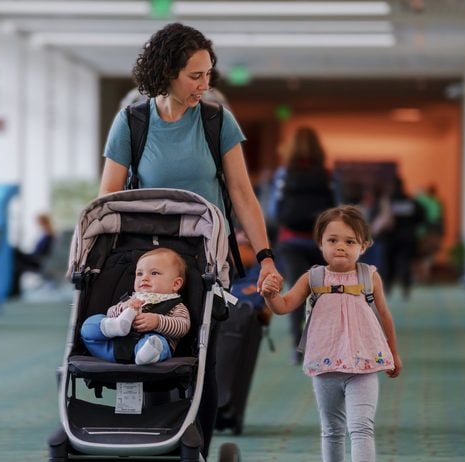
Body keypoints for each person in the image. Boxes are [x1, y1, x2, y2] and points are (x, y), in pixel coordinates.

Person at [98, 23, 282, 457]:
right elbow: (109, 195)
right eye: (195, 75)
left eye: (209, 73)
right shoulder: (132, 122)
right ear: (166, 73)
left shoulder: (218, 120)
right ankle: (154, 440)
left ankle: (196, 447)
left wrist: (266, 257)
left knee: (201, 356)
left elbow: (241, 193)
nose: (206, 84)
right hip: (150, 261)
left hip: (206, 259)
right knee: (148, 352)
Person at [261, 205, 402, 462]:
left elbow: (384, 316)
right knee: (332, 431)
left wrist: (394, 353)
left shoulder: (369, 277)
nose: (340, 247)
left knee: (361, 428)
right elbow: (283, 306)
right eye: (332, 240)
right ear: (320, 243)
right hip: (326, 367)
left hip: (364, 366)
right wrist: (271, 296)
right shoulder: (313, 278)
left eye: (350, 241)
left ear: (364, 246)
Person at [274, 126, 335, 364]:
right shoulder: (328, 175)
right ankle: (322, 345)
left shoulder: (283, 175)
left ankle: (297, 347)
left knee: (297, 293)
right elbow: (339, 208)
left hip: (291, 241)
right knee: (323, 294)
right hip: (321, 242)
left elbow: (273, 210)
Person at [80, 248, 190, 365]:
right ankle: (116, 326)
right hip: (112, 348)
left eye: (154, 273)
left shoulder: (176, 305)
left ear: (175, 284)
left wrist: (157, 322)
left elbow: (183, 327)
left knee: (157, 342)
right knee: (90, 324)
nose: (144, 278)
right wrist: (123, 308)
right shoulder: (131, 299)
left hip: (147, 348)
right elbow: (110, 313)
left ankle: (146, 354)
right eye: (139, 273)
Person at [9, 213, 55, 296]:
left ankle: (15, 291)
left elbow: (42, 252)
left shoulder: (48, 236)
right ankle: (15, 290)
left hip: (38, 261)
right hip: (37, 258)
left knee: (16, 258)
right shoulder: (48, 234)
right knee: (15, 256)